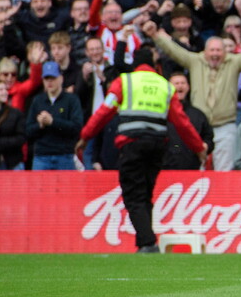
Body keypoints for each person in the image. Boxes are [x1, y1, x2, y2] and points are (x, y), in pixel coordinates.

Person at [76, 48, 208, 253]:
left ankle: (148, 242)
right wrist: (198, 147)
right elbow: (182, 122)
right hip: (157, 146)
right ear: (154, 66)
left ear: (135, 64)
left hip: (132, 144)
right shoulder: (165, 86)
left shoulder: (125, 82)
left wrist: (85, 136)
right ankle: (144, 244)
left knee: (133, 194)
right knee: (145, 193)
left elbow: (104, 111)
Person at [146, 21, 241, 171]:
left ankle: (223, 195)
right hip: (199, 126)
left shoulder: (234, 62)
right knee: (197, 169)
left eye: (218, 50)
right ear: (205, 51)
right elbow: (174, 51)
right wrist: (155, 36)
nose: (215, 54)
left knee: (225, 170)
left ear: (224, 52)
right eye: (212, 50)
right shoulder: (195, 61)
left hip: (225, 125)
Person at [26, 61, 84, 170]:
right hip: (41, 156)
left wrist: (53, 122)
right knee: (40, 187)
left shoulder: (71, 100)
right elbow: (28, 130)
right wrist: (40, 125)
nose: (49, 82)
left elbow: (76, 127)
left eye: (53, 78)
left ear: (61, 78)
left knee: (65, 187)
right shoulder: (37, 101)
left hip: (65, 155)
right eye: (46, 79)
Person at [163, 72, 215, 170]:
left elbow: (209, 139)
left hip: (191, 169)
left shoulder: (198, 114)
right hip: (164, 168)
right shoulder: (161, 112)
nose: (180, 85)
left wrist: (205, 146)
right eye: (176, 83)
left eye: (183, 83)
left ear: (188, 87)